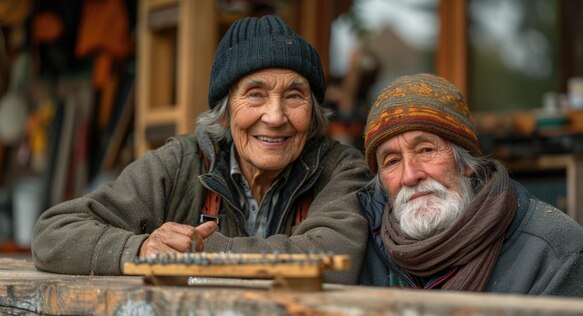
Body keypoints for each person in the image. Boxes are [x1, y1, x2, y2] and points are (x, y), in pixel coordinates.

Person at [31, 15, 371, 284]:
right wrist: (140, 249)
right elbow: (54, 234)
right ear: (225, 111)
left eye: (294, 96)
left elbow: (333, 261)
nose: (275, 116)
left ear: (312, 111)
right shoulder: (183, 163)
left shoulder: (339, 170)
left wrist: (200, 252)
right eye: (255, 94)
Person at [357, 73, 583, 298]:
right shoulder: (365, 249)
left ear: (465, 161)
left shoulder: (558, 255)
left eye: (425, 150)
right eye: (392, 162)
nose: (410, 176)